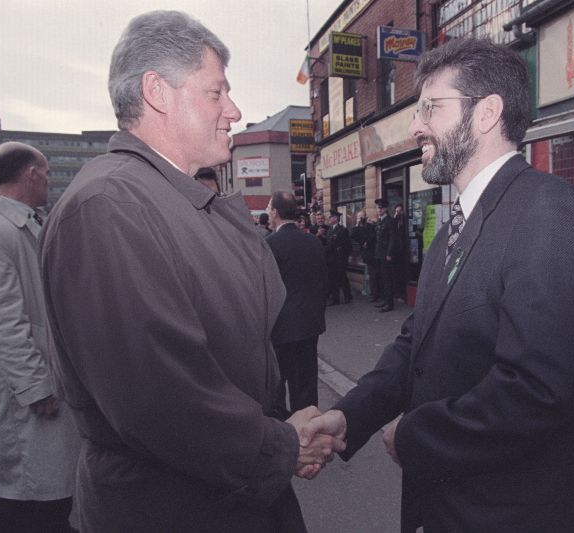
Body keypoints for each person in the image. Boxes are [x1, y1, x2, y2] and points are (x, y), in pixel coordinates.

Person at [38, 11, 343, 532]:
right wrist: (283, 445)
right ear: (157, 91)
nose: (234, 109)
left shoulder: (172, 199)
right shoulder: (109, 208)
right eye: (215, 92)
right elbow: (163, 399)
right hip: (173, 511)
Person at [302, 37, 574, 533]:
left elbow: (538, 391)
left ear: (486, 113)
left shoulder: (550, 213)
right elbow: (416, 346)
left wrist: (416, 436)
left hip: (504, 513)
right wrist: (349, 417)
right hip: (441, 505)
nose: (416, 125)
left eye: (431, 108)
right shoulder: (453, 229)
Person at [0, 142, 80, 533]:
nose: (46, 182)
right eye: (44, 173)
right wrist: (34, 386)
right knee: (29, 489)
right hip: (28, 392)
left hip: (46, 377)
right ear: (31, 173)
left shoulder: (23, 222)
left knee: (53, 489)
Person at [266, 190, 327, 414]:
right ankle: (309, 432)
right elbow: (323, 282)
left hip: (280, 328)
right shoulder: (313, 242)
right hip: (309, 325)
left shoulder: (269, 245)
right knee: (306, 386)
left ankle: (285, 436)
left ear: (275, 213)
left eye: (268, 209)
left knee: (276, 387)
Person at [374, 197, 398, 312]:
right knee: (381, 278)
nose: (379, 210)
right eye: (378, 208)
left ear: (385, 209)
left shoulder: (390, 221)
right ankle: (384, 300)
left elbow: (393, 239)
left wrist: (389, 253)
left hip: (385, 254)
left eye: (381, 208)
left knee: (387, 279)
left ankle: (390, 304)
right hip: (379, 253)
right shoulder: (379, 221)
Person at [324, 210, 352, 305]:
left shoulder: (342, 230)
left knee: (342, 278)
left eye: (331, 217)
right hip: (331, 258)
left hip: (339, 258)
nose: (329, 219)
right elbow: (329, 244)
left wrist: (346, 258)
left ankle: (348, 296)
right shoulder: (330, 230)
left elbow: (347, 245)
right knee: (332, 279)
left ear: (335, 218)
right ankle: (335, 300)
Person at [349, 210, 378, 301]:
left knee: (375, 275)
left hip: (373, 253)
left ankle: (377, 294)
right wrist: (357, 224)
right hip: (367, 255)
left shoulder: (370, 226)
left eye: (362, 217)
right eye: (359, 217)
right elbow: (352, 235)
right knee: (371, 275)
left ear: (366, 217)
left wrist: (367, 242)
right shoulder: (357, 228)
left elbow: (374, 235)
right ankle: (374, 294)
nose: (361, 219)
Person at [392, 203, 408, 301]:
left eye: (400, 211)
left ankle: (403, 294)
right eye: (396, 211)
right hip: (396, 251)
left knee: (403, 273)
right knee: (396, 273)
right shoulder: (395, 222)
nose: (398, 213)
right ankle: (397, 292)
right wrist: (395, 219)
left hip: (405, 251)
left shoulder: (405, 221)